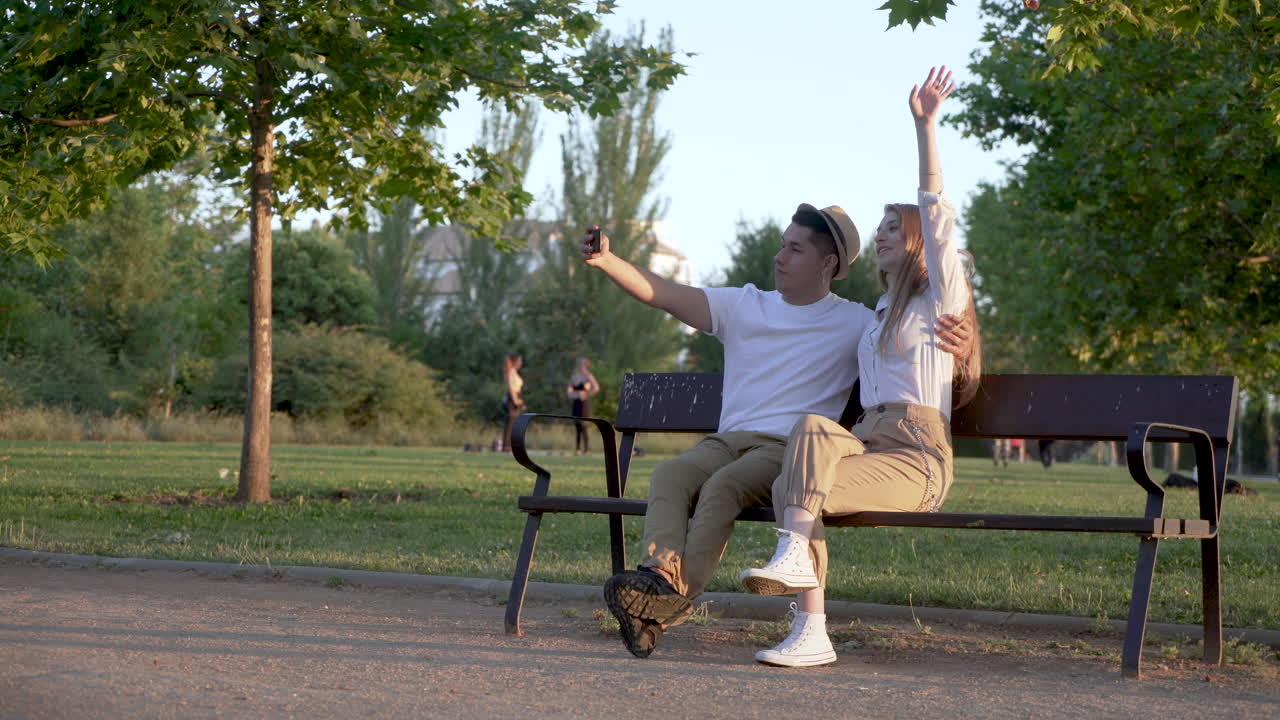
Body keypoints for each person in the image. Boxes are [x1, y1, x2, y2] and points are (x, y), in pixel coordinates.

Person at [581, 180, 975, 658]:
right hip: (727, 440)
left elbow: (917, 335)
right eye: (781, 245)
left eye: (794, 248)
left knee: (725, 487)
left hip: (785, 449)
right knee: (671, 472)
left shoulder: (857, 321)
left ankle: (673, 598)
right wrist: (607, 261)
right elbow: (663, 293)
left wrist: (966, 338)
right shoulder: (743, 304)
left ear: (827, 264)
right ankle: (657, 577)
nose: (779, 257)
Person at [737, 66, 983, 668]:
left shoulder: (936, 302)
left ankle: (809, 621)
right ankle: (810, 625)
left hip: (917, 458)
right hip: (868, 446)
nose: (879, 238)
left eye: (892, 231)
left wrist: (925, 126)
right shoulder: (874, 317)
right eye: (877, 230)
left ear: (919, 242)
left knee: (798, 495)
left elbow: (937, 209)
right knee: (809, 440)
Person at [566, 357, 600, 455]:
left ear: (586, 366)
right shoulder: (575, 377)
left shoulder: (588, 376)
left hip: (584, 403)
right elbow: (569, 389)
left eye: (582, 365)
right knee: (577, 425)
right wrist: (573, 394)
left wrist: (587, 394)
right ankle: (578, 448)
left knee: (583, 425)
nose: (581, 367)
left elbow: (596, 388)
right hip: (576, 402)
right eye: (579, 365)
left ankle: (586, 449)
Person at [500, 353, 525, 453]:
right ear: (515, 362)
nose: (521, 363)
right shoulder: (511, 372)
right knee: (510, 423)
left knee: (513, 423)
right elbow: (511, 388)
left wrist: (520, 401)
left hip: (516, 397)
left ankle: (509, 445)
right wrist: (516, 401)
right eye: (519, 361)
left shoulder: (514, 372)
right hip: (512, 399)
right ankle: (506, 446)